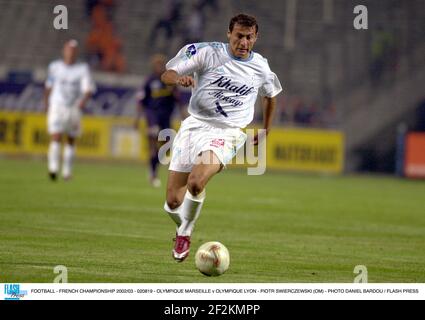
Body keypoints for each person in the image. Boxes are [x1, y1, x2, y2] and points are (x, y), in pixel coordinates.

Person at [160, 14, 282, 262]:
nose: (244, 42)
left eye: (249, 37)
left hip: (228, 132)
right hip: (194, 126)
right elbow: (167, 74)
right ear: (229, 34)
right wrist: (178, 79)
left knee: (196, 182)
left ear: (255, 38)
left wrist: (267, 128)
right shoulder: (207, 52)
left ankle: (185, 232)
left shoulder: (261, 66)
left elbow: (270, 96)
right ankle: (182, 224)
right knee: (173, 201)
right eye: (239, 36)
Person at [44, 39, 96, 181]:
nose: (71, 52)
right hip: (57, 105)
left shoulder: (82, 68)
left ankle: (67, 171)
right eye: (68, 49)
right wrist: (46, 103)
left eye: (73, 50)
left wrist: (82, 103)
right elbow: (48, 86)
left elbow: (88, 89)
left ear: (76, 52)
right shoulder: (55, 67)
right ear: (64, 51)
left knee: (71, 139)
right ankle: (53, 169)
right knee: (56, 135)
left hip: (73, 107)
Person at [134, 54, 185, 187]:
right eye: (157, 65)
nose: (159, 67)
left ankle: (153, 168)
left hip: (166, 118)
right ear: (153, 66)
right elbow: (141, 101)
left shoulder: (170, 82)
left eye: (161, 65)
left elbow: (179, 99)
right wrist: (137, 119)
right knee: (154, 139)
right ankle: (153, 173)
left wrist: (183, 114)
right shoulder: (149, 81)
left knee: (165, 150)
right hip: (152, 117)